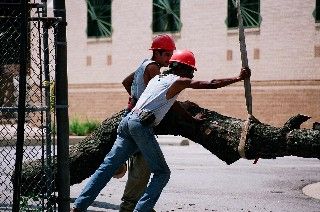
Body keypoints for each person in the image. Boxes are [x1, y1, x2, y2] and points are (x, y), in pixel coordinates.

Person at [71, 50, 251, 212]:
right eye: (190, 71)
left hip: (126, 122)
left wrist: (191, 119)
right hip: (140, 126)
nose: (191, 74)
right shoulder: (178, 80)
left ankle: (79, 207)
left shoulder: (157, 79)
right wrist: (238, 78)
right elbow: (211, 83)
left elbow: (172, 105)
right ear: (182, 68)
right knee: (162, 173)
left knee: (106, 168)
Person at [119, 34, 176, 211]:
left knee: (141, 166)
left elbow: (126, 81)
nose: (169, 58)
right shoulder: (154, 69)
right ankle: (129, 207)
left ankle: (140, 206)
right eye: (166, 54)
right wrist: (142, 101)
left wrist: (135, 97)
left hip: (130, 117)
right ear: (157, 53)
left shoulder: (144, 64)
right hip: (140, 123)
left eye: (171, 54)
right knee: (143, 168)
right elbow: (158, 94)